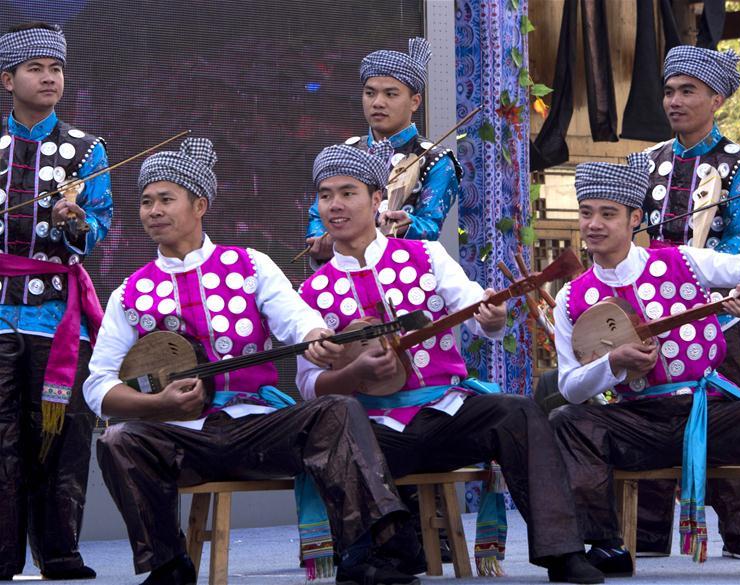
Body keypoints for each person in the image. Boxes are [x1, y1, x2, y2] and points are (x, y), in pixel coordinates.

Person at [83, 137, 416, 585]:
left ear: (199, 204)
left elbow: (299, 320)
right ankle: (167, 565)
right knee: (117, 441)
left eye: (166, 199)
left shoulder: (249, 265)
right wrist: (158, 406)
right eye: (145, 202)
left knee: (337, 411)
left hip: (257, 428)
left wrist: (317, 337)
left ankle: (365, 555)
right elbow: (98, 386)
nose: (153, 211)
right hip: (185, 442)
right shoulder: (129, 291)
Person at [295, 142, 605, 584]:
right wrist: (352, 374)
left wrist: (493, 317)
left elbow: (479, 315)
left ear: (377, 198)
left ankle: (563, 552)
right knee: (340, 439)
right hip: (376, 432)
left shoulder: (425, 256)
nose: (335, 205)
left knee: (518, 412)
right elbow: (310, 385)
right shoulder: (311, 293)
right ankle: (378, 558)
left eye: (348, 193)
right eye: (325, 196)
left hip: (444, 413)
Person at [549, 153, 740, 582]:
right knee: (569, 420)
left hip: (708, 413)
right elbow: (571, 386)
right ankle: (603, 545)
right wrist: (614, 363)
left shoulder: (682, 261)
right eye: (586, 213)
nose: (594, 224)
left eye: (608, 214)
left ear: (635, 217)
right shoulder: (571, 298)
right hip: (639, 421)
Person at [640, 45, 740, 558]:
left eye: (687, 91)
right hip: (650, 316)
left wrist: (683, 274)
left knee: (726, 418)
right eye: (670, 90)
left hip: (716, 316)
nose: (674, 100)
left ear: (716, 99)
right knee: (646, 412)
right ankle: (646, 532)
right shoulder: (645, 162)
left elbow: (737, 245)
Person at [0, 22, 113, 581]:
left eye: (57, 69)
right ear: (8, 79)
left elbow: (100, 227)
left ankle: (61, 554)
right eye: (36, 69)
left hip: (56, 317)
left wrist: (77, 224)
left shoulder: (88, 149)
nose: (49, 78)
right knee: (1, 438)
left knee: (61, 434)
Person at [305, 37, 461, 264]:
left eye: (390, 94)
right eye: (370, 93)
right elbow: (318, 213)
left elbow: (431, 225)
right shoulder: (347, 152)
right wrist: (319, 238)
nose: (377, 102)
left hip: (404, 277)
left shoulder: (435, 159)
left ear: (415, 101)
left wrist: (408, 223)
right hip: (344, 274)